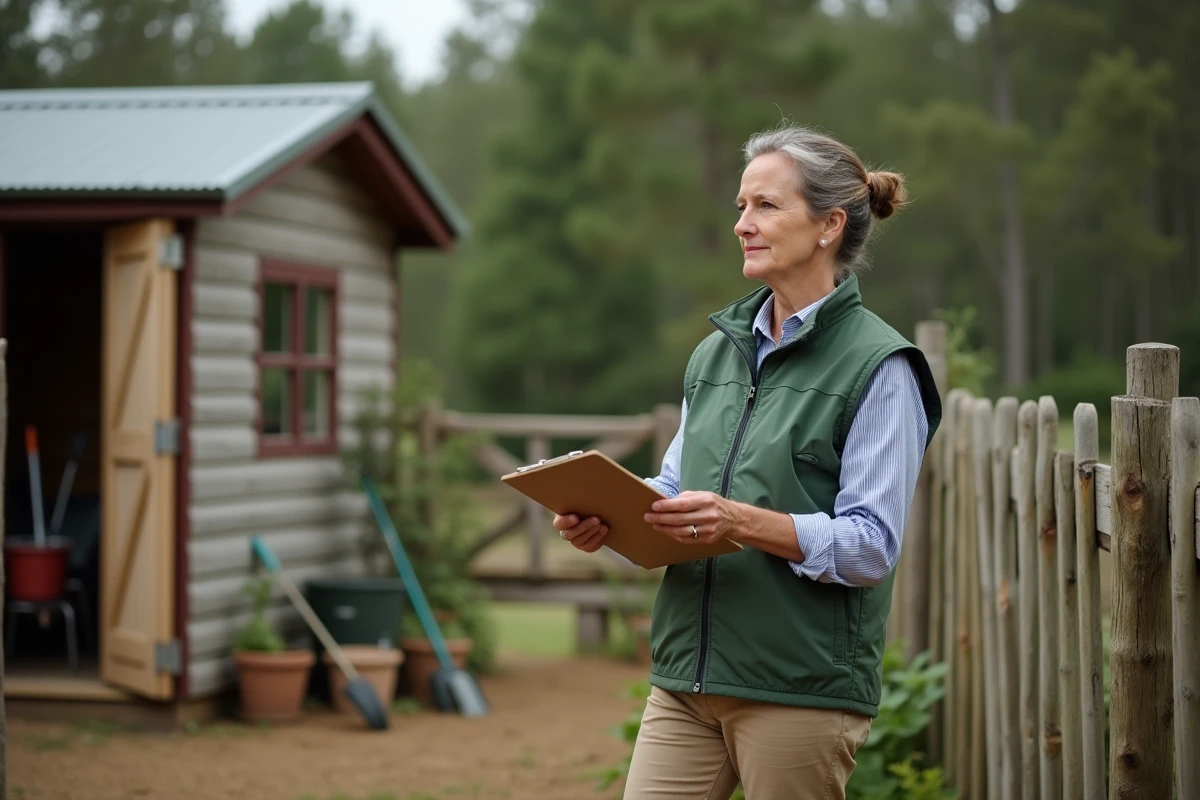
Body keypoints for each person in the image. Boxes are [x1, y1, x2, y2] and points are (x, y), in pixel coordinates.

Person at [552, 124, 943, 799]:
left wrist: (741, 522)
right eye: (740, 206)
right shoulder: (716, 354)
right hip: (686, 681)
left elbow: (870, 547)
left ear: (828, 226)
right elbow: (676, 485)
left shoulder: (881, 367)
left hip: (798, 690)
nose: (743, 224)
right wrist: (607, 511)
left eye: (765, 206)